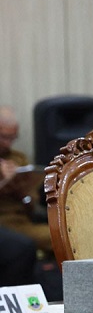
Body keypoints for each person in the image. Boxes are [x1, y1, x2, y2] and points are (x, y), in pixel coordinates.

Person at [0, 106, 52, 254]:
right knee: (55, 238)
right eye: (4, 137)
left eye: (13, 138)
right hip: (3, 225)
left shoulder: (18, 159)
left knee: (65, 234)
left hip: (22, 221)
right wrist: (3, 181)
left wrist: (22, 193)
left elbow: (31, 205)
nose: (8, 143)